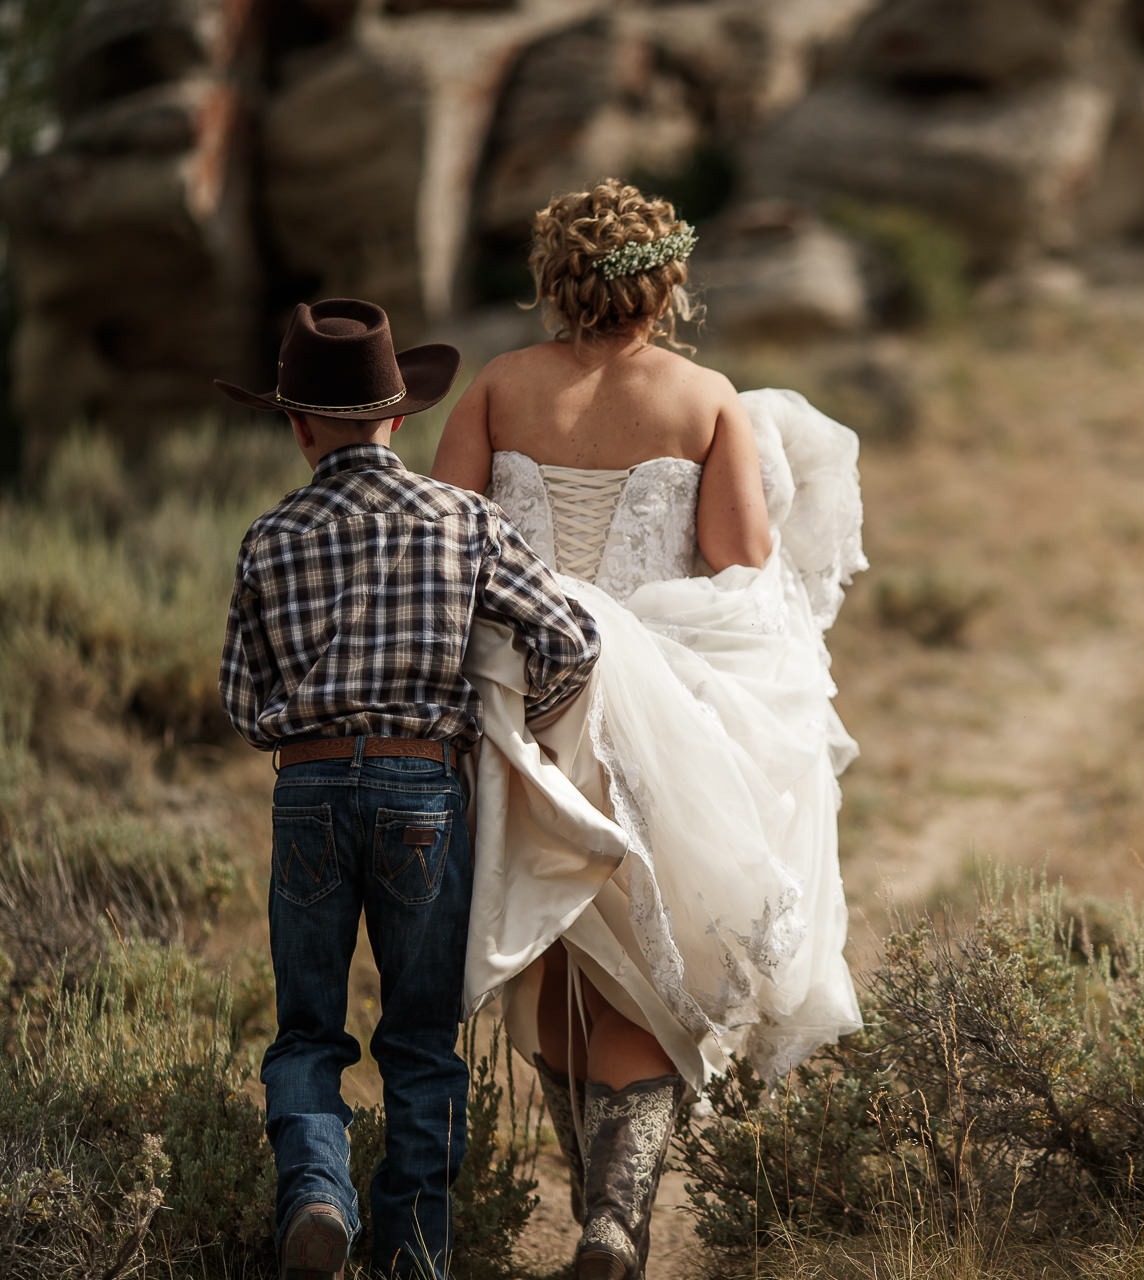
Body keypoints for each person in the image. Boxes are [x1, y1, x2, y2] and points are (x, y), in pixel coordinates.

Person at [430, 178, 866, 1280]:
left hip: (515, 703)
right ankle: (615, 1221)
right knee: (644, 946)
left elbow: (443, 545)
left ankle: (598, 1213)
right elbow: (741, 567)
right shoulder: (704, 396)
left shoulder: (497, 388)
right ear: (666, 281)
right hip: (649, 708)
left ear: (554, 279)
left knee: (557, 942)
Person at [215, 299, 602, 1280]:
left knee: (308, 1023)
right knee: (422, 1033)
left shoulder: (267, 538)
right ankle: (418, 1248)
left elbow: (239, 696)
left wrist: (305, 736)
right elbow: (572, 641)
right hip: (424, 789)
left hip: (306, 791)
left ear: (297, 425)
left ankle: (314, 1191)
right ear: (400, 418)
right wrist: (495, 732)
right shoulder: (465, 520)